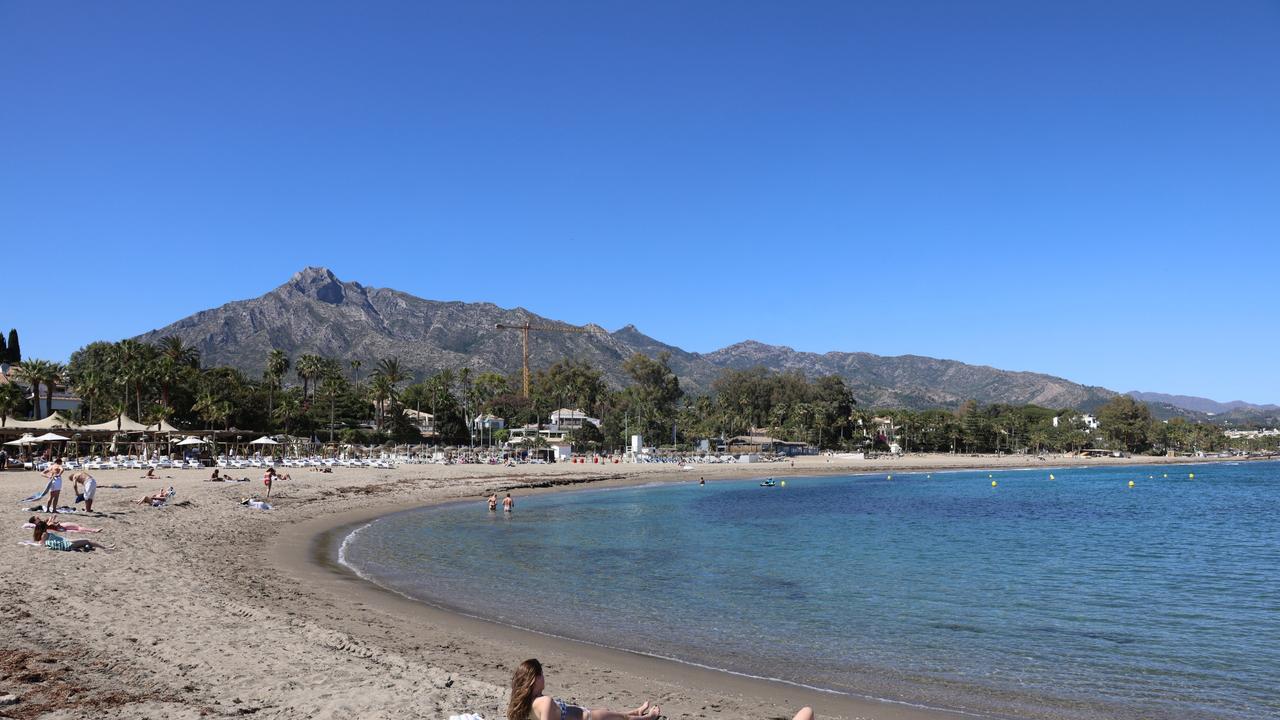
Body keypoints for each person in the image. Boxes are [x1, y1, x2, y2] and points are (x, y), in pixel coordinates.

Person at [508, 658, 659, 720]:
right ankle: (649, 717)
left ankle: (636, 711)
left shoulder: (522, 704)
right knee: (621, 718)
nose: (544, 678)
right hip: (588, 717)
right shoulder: (544, 702)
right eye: (541, 674)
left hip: (582, 712)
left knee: (616, 714)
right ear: (535, 679)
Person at [32, 519, 112, 552]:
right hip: (67, 544)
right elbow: (43, 544)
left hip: (66, 542)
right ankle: (106, 548)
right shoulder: (44, 534)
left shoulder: (41, 534)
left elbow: (41, 543)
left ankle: (103, 547)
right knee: (87, 541)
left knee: (85, 542)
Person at [28, 515, 102, 533]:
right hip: (60, 526)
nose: (38, 517)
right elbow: (49, 524)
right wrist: (52, 519)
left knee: (77, 529)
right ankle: (93, 530)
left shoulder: (40, 524)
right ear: (35, 521)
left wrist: (51, 518)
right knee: (78, 527)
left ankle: (91, 531)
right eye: (36, 518)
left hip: (59, 527)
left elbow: (48, 521)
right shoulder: (40, 525)